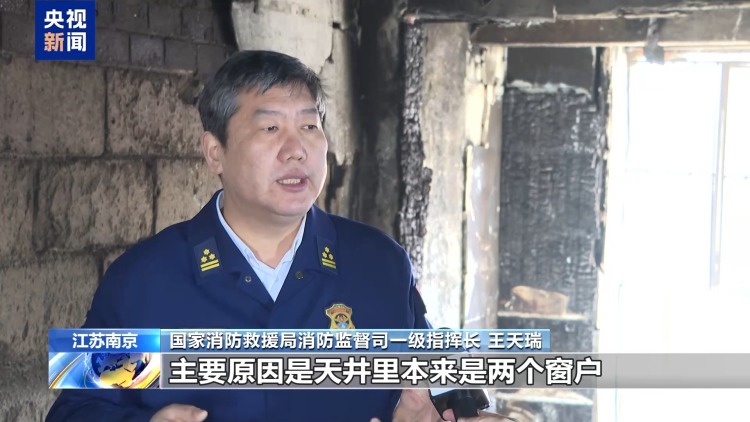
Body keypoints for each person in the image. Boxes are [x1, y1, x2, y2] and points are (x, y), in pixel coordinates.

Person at [46, 50, 510, 422]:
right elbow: (75, 410)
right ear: (214, 152)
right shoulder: (143, 281)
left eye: (309, 125)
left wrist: (450, 411)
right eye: (270, 128)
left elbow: (439, 389)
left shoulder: (380, 265)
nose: (297, 149)